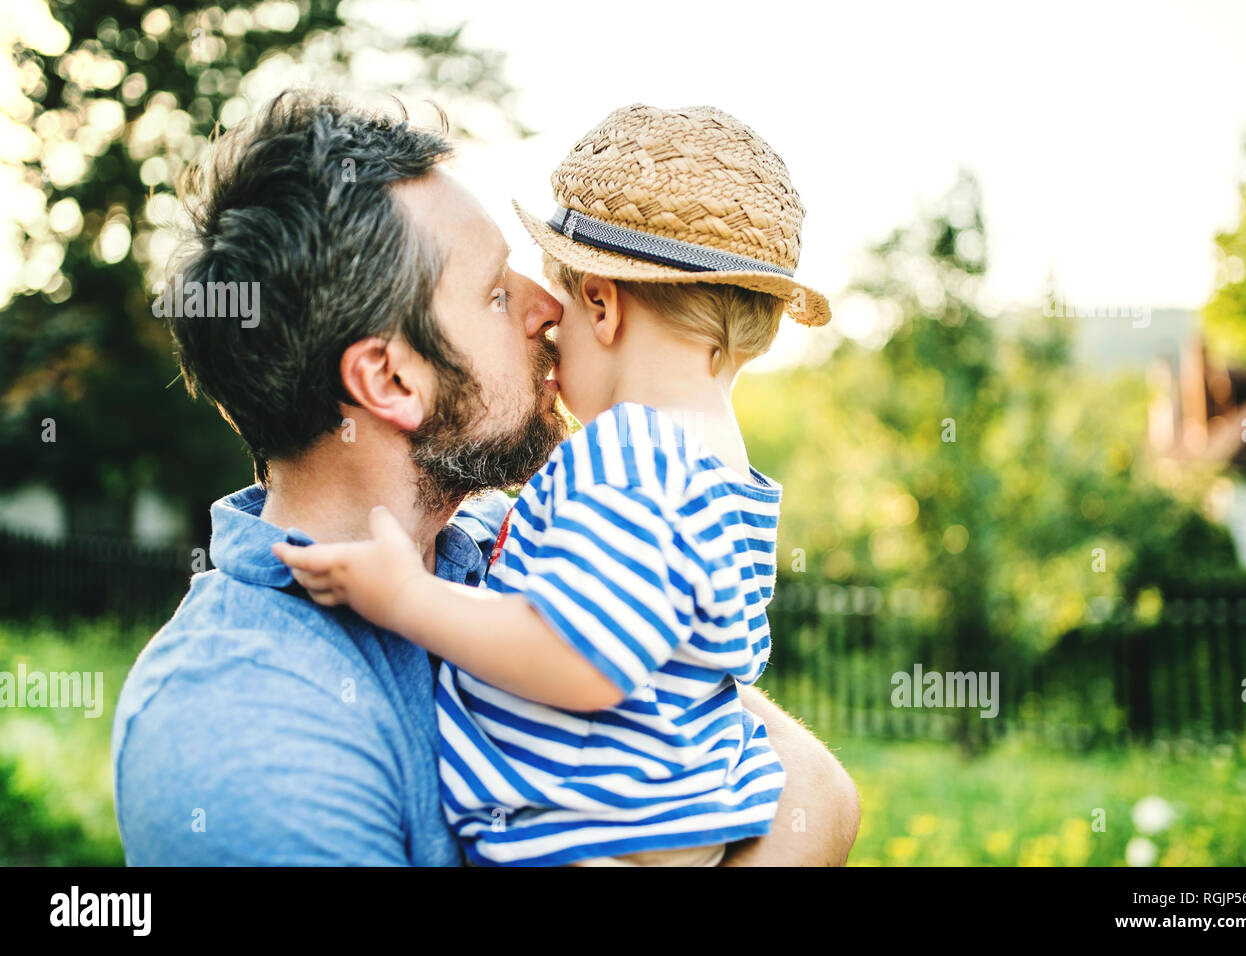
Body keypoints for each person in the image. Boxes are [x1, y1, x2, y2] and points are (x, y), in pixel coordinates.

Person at [111, 91, 859, 866]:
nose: (547, 308)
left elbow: (821, 795)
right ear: (392, 379)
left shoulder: (498, 539)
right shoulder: (240, 725)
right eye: (496, 292)